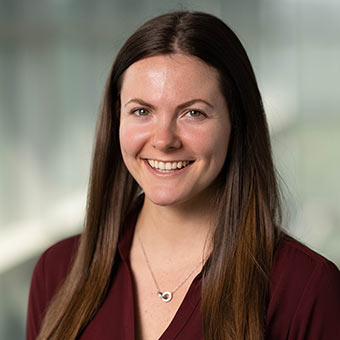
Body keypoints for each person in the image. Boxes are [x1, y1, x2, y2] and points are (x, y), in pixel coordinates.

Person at [26, 11, 340, 340]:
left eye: (193, 113)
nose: (163, 140)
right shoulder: (57, 271)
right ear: (116, 119)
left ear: (237, 123)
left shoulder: (305, 288)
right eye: (142, 111)